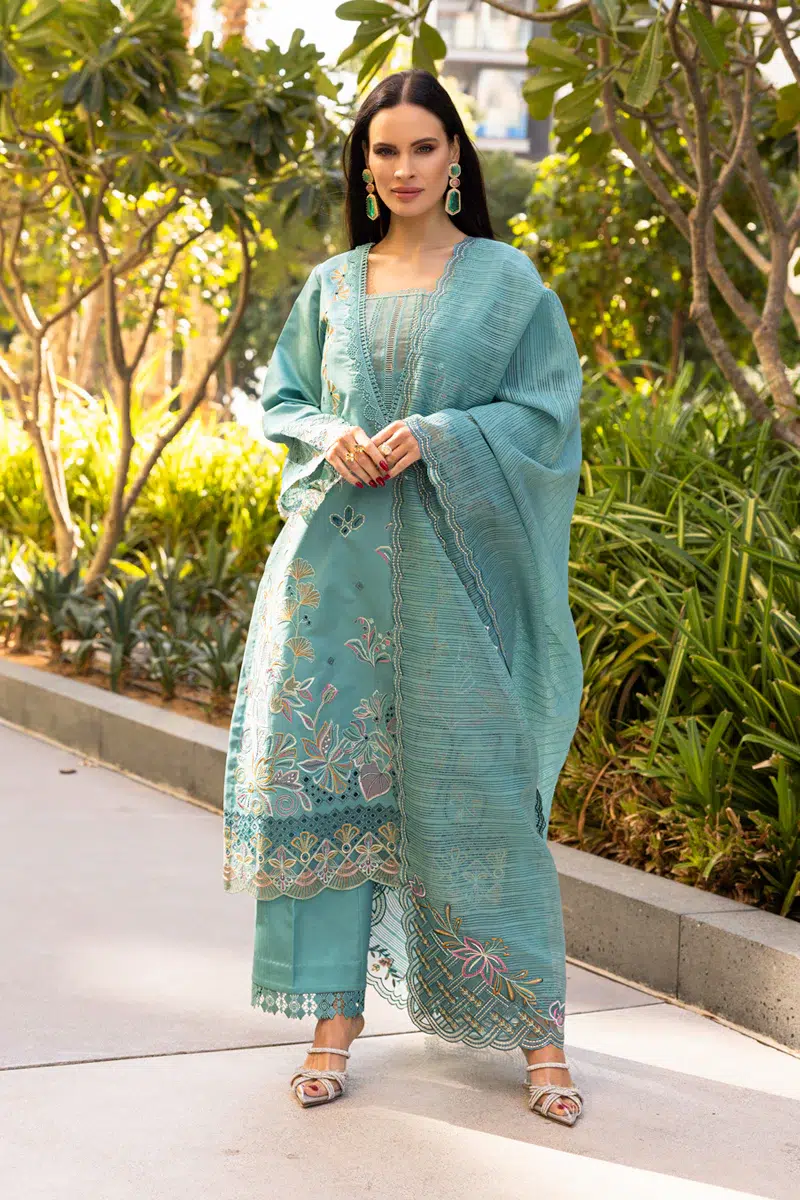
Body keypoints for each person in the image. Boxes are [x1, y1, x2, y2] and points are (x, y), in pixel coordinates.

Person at [223, 68, 585, 1126]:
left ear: (455, 156)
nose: (404, 168)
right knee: (330, 794)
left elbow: (546, 412)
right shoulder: (333, 285)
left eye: (424, 147)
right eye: (384, 151)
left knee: (481, 794)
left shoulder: (506, 284)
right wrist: (328, 432)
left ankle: (537, 1032)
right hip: (330, 589)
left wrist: (439, 434)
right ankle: (330, 1024)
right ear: (364, 164)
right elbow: (283, 398)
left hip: (450, 582)